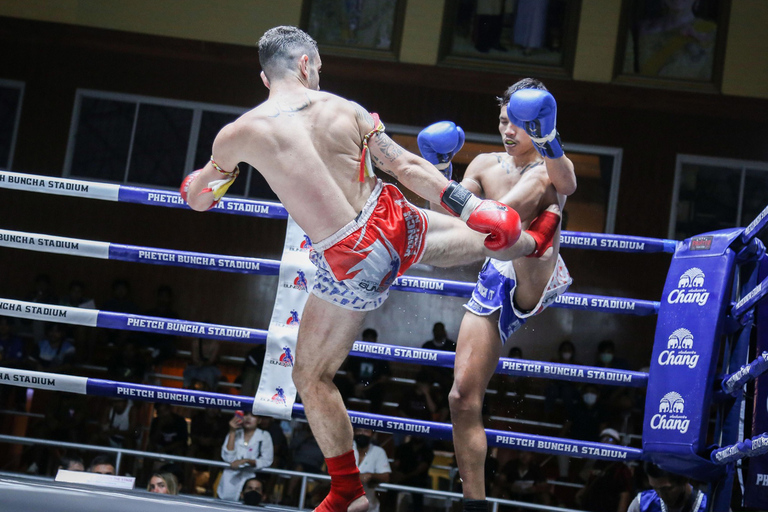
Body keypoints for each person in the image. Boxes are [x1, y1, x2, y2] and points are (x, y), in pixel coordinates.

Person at [181, 26, 557, 512]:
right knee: (484, 236)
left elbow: (196, 200)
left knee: (311, 377)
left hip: (351, 258)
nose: (318, 75)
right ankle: (531, 237)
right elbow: (406, 167)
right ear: (304, 64)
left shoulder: (239, 133)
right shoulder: (347, 108)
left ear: (263, 75)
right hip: (392, 218)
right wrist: (468, 204)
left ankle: (348, 491)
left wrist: (215, 173)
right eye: (316, 67)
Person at [418, 77, 576, 512]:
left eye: (520, 124)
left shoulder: (547, 165)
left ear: (539, 125)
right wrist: (441, 175)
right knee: (461, 397)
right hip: (495, 269)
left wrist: (550, 140)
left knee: (530, 202)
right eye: (504, 121)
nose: (508, 131)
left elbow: (568, 184)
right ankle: (475, 505)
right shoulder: (485, 164)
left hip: (535, 266)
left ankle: (514, 233)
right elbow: (443, 220)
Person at [217, 411, 274, 501]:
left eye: (253, 415)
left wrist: (247, 461)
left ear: (259, 420)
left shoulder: (264, 435)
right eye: (246, 414)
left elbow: (267, 460)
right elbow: (228, 458)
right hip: (230, 477)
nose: (248, 418)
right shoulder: (235, 433)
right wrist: (232, 431)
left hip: (250, 479)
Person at [575, 428, 633, 512]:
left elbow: (624, 494)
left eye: (610, 440)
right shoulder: (597, 463)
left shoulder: (621, 468)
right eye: (603, 439)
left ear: (616, 445)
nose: (606, 442)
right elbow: (591, 481)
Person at [628, 462, 706, 512]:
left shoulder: (708, 506)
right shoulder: (641, 505)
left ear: (684, 480)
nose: (660, 496)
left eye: (667, 489)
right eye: (655, 488)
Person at [353, 428, 391, 512]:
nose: (362, 433)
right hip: (344, 505)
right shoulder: (345, 448)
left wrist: (371, 476)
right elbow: (335, 471)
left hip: (369, 507)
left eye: (366, 431)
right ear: (354, 431)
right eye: (359, 430)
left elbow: (386, 477)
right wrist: (359, 477)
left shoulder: (378, 451)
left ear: (372, 434)